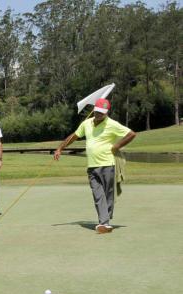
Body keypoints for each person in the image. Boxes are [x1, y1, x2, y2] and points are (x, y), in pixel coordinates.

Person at [54, 98, 136, 234]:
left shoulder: (112, 124)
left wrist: (117, 146)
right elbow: (73, 136)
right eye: (97, 111)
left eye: (102, 112)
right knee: (98, 194)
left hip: (108, 164)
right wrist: (60, 148)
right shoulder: (86, 124)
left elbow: (131, 134)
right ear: (94, 110)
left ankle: (105, 222)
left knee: (108, 194)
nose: (99, 114)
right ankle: (104, 222)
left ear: (106, 112)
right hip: (92, 166)